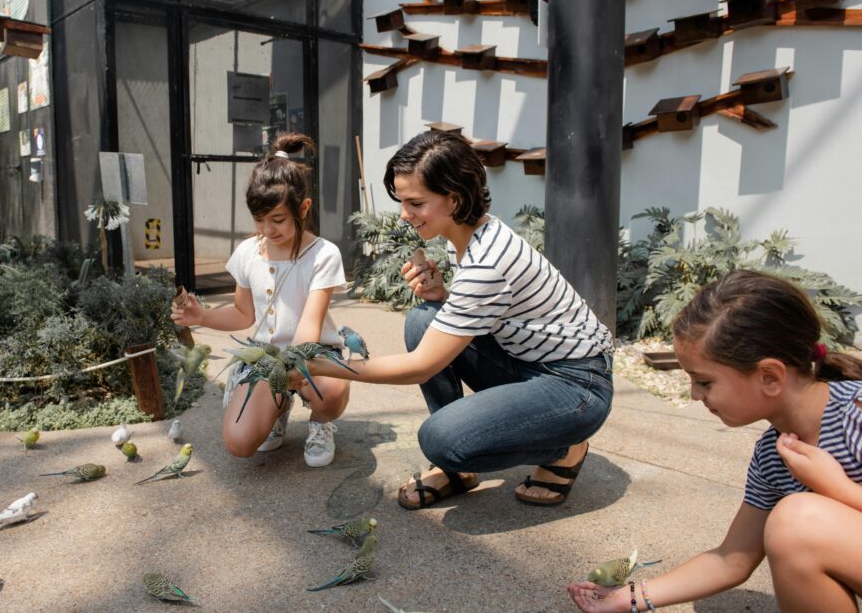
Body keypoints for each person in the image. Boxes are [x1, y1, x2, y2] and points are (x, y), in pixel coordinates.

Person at [306, 130, 614, 508]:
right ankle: (456, 468)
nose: (405, 214)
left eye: (415, 202)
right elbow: (488, 313)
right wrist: (445, 298)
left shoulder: (488, 260)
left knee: (442, 440)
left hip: (576, 386)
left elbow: (420, 368)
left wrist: (319, 366)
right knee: (424, 318)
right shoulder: (470, 236)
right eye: (402, 201)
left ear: (453, 198)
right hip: (529, 364)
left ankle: (563, 449)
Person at [568, 269, 862, 613]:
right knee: (794, 526)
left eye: (704, 382)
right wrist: (628, 598)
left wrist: (837, 488)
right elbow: (732, 559)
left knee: (798, 521)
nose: (694, 394)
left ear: (769, 376)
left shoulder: (855, 412)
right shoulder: (773, 453)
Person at [171, 133, 350, 467]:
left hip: (312, 352)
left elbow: (309, 325)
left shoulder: (323, 254)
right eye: (259, 219)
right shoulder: (248, 252)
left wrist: (291, 371)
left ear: (304, 208)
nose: (268, 229)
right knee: (239, 444)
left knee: (331, 390)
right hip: (266, 358)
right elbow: (242, 314)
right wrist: (201, 316)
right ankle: (278, 407)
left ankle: (321, 423)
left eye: (278, 219)